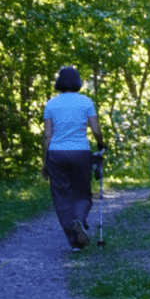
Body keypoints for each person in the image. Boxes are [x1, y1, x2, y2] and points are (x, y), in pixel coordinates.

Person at [42, 66, 106, 252]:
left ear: (59, 82)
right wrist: (101, 144)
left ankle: (74, 241)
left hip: (57, 153)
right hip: (81, 152)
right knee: (83, 193)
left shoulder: (50, 104)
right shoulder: (86, 102)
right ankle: (79, 219)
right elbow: (95, 130)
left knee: (62, 196)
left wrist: (45, 162)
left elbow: (47, 136)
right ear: (78, 81)